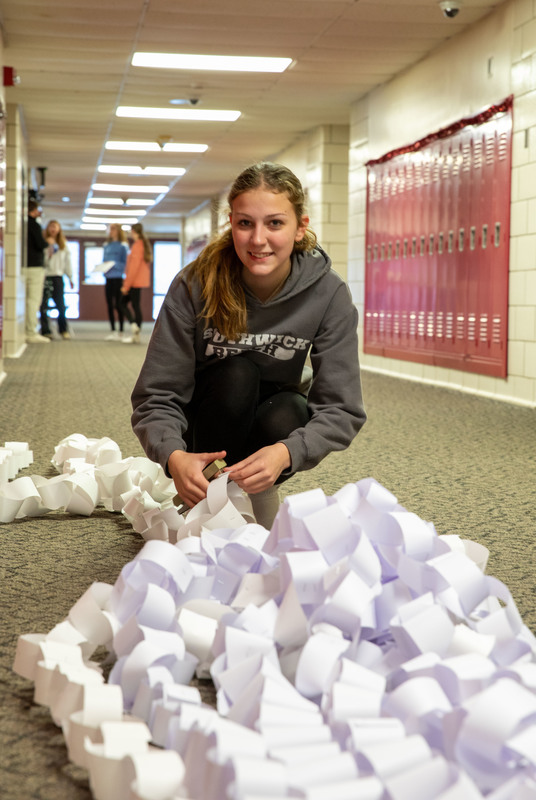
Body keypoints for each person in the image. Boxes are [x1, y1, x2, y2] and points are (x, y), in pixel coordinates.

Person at [131, 162, 366, 528]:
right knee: (237, 373)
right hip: (204, 421)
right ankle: (205, 490)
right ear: (231, 223)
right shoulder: (194, 284)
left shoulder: (327, 293)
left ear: (300, 227)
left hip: (270, 423)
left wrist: (287, 452)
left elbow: (342, 408)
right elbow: (157, 393)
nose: (258, 239)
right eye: (245, 223)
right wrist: (174, 456)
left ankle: (250, 490)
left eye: (275, 223)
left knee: (291, 410)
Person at [40, 219, 74, 340]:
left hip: (58, 277)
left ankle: (63, 330)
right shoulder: (43, 243)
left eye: (55, 226)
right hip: (45, 276)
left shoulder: (63, 245)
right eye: (51, 226)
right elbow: (42, 261)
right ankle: (45, 330)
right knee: (43, 305)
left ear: (59, 229)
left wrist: (70, 277)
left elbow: (67, 263)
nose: (53, 229)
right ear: (48, 228)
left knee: (60, 305)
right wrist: (48, 250)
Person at [121, 222, 152, 344]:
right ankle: (136, 331)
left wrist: (126, 285)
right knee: (134, 305)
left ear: (134, 231)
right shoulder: (142, 244)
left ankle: (135, 328)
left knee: (124, 303)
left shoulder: (137, 246)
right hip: (137, 282)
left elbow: (133, 268)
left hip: (134, 282)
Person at [24, 199, 49, 343]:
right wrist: (47, 242)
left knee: (26, 300)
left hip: (22, 266)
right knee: (33, 300)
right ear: (33, 211)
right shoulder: (34, 224)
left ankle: (27, 329)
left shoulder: (20, 224)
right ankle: (31, 332)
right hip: (34, 267)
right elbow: (40, 244)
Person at [102, 223, 128, 340]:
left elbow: (125, 264)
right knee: (109, 304)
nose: (110, 231)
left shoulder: (123, 246)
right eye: (110, 229)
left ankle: (121, 331)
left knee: (119, 304)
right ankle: (113, 330)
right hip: (108, 278)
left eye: (113, 229)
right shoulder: (106, 245)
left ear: (118, 231)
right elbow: (104, 260)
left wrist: (114, 264)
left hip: (118, 278)